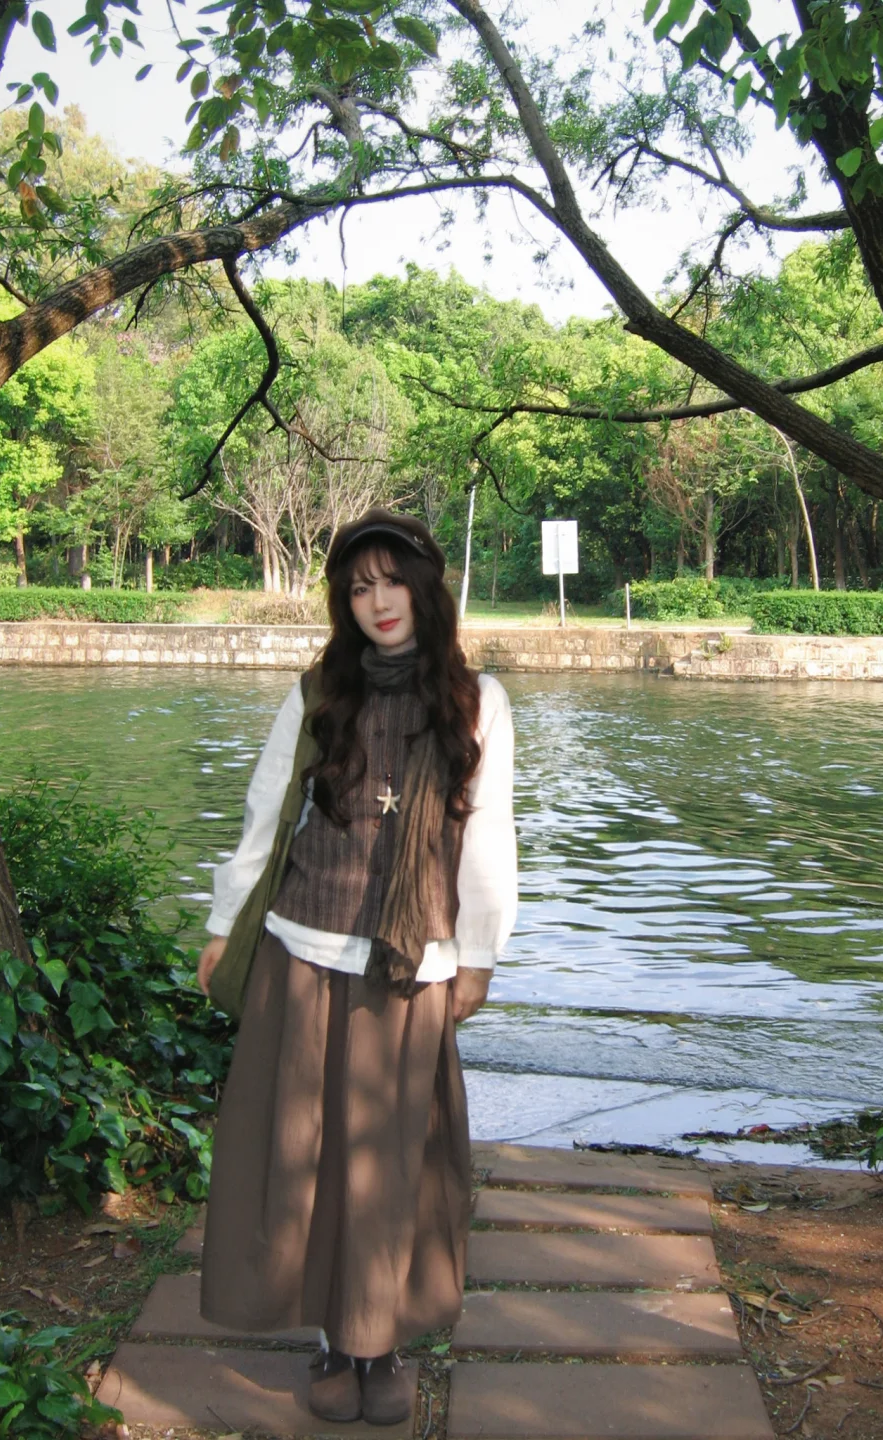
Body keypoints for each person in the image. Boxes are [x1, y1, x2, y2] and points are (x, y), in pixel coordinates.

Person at [195, 509, 517, 1426]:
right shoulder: (318, 692)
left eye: (393, 581)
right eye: (360, 586)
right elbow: (267, 813)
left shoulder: (477, 702)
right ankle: (332, 1340)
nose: (378, 601)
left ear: (425, 589)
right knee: (304, 1154)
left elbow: (488, 835)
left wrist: (480, 955)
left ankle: (380, 1343)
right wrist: (223, 924)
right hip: (304, 948)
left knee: (389, 1160)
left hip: (413, 964)